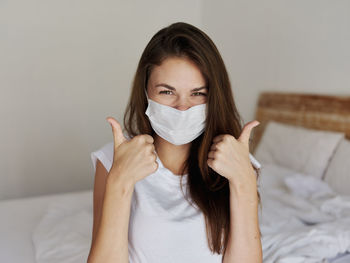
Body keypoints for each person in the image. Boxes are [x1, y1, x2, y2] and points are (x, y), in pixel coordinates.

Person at [87, 21, 263, 263]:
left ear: (214, 97)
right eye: (167, 92)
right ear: (146, 93)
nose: (183, 107)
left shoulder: (236, 163)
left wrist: (244, 181)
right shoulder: (112, 159)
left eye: (198, 93)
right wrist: (120, 181)